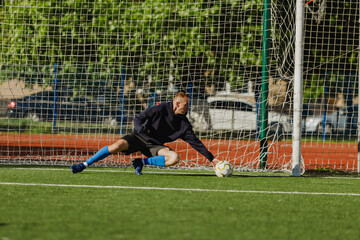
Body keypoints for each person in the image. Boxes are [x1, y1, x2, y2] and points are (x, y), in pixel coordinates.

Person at [71, 91, 220, 175]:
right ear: (177, 104)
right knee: (117, 145)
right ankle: (84, 164)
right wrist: (139, 129)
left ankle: (140, 162)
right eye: (186, 105)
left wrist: (212, 159)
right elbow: (139, 118)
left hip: (154, 146)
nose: (188, 107)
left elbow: (196, 143)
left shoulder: (184, 124)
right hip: (138, 136)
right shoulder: (160, 108)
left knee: (174, 158)